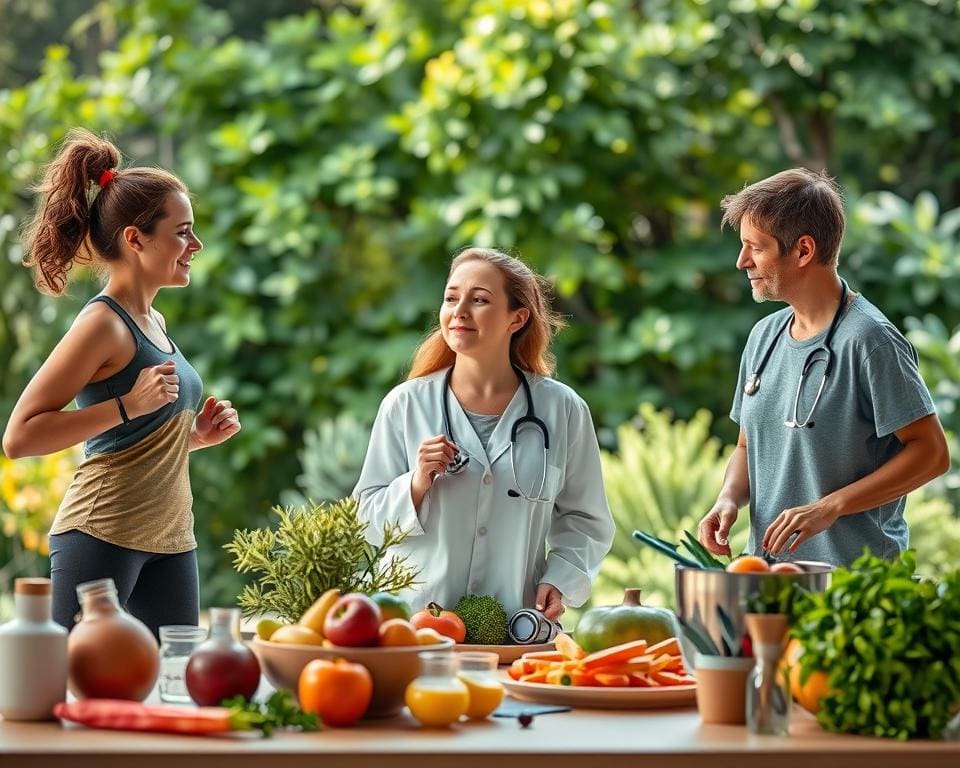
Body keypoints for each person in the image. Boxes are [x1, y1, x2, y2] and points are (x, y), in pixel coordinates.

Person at [2, 128, 241, 636]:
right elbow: (19, 436)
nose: (195, 245)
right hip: (100, 532)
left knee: (176, 681)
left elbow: (130, 441)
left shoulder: (154, 321)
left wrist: (193, 438)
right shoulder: (102, 324)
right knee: (72, 687)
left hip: (172, 540)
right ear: (135, 239)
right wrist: (129, 405)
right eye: (182, 232)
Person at [698, 168, 949, 566]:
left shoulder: (871, 341)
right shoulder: (764, 337)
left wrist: (831, 506)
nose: (741, 261)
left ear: (803, 251)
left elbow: (932, 454)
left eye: (755, 247)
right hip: (769, 579)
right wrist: (728, 497)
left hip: (853, 584)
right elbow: (747, 446)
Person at [353, 247, 614, 621]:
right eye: (451, 298)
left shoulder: (563, 410)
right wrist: (415, 484)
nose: (459, 311)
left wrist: (562, 579)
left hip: (512, 624)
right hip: (418, 628)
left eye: (479, 300)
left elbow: (586, 520)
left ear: (517, 318)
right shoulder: (406, 405)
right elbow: (364, 519)